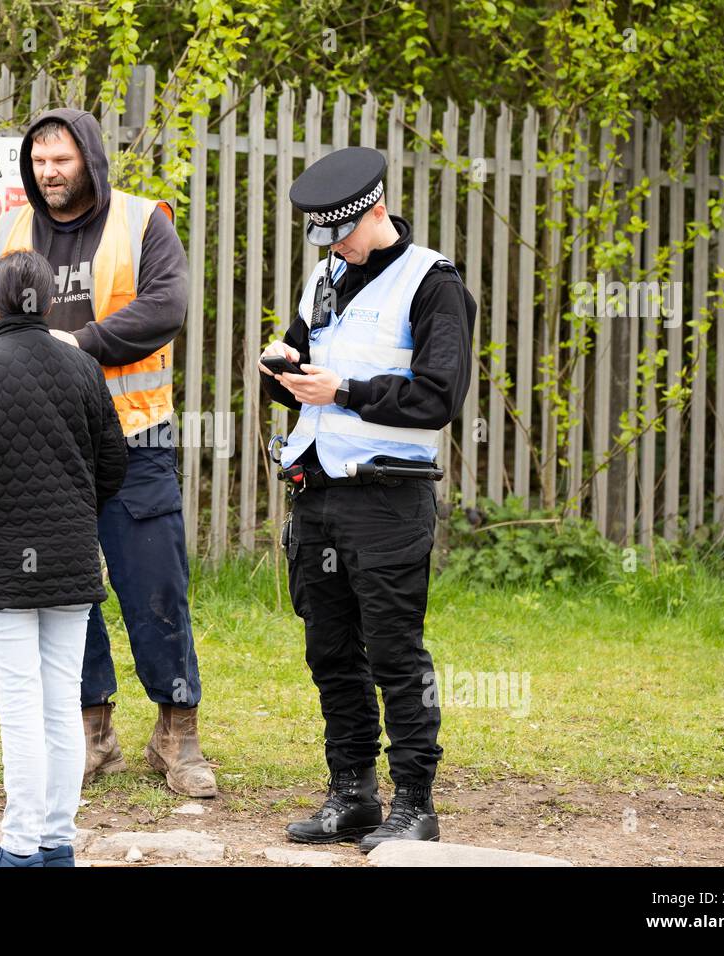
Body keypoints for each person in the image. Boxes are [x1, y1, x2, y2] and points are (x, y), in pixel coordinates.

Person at [0, 108, 215, 798]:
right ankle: (93, 731)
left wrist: (80, 345)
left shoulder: (141, 222)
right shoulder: (7, 230)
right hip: (44, 444)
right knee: (67, 586)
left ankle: (177, 734)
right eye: (39, 162)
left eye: (61, 160)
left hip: (137, 435)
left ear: (90, 159)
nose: (48, 173)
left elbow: (166, 306)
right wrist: (20, 363)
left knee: (153, 583)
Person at [259, 146, 476, 852]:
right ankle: (350, 792)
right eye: (324, 239)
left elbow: (440, 396)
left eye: (343, 234)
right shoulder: (326, 276)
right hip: (317, 491)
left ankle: (415, 802)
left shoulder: (433, 283)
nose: (335, 249)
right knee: (330, 651)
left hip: (387, 497)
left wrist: (346, 392)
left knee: (393, 651)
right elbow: (299, 370)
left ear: (376, 210)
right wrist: (279, 367)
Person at [0, 249, 128, 867]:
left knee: (19, 706)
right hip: (69, 560)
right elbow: (114, 464)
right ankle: (55, 843)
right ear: (51, 303)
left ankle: (17, 849)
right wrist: (72, 510)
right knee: (62, 703)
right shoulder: (84, 368)